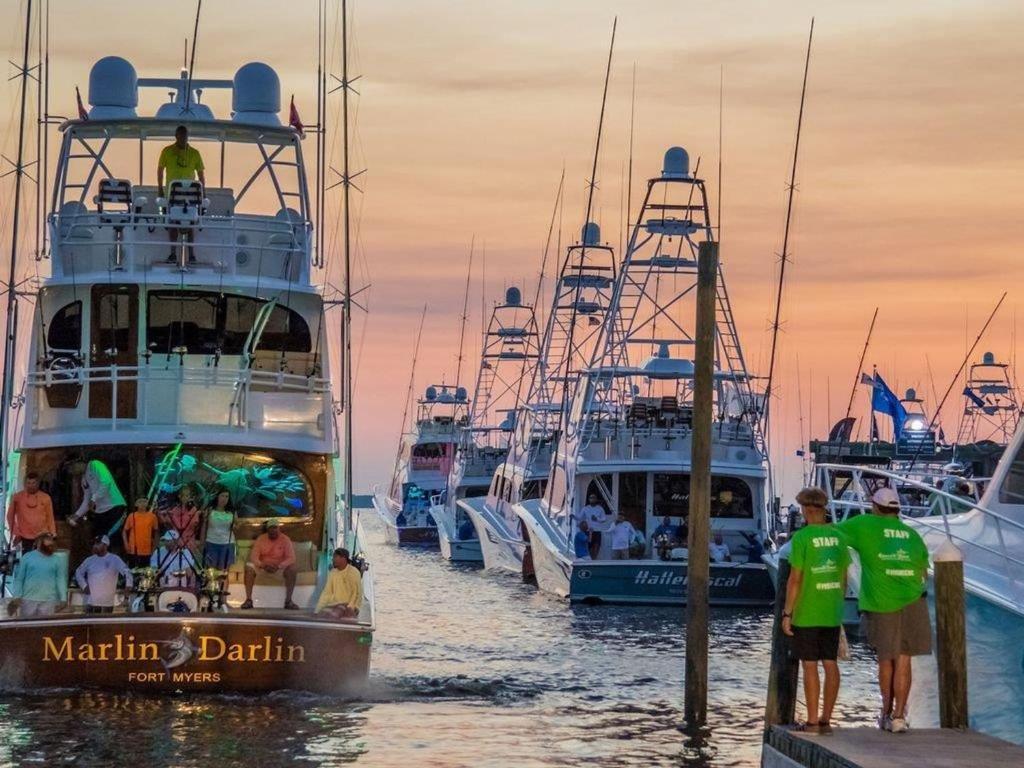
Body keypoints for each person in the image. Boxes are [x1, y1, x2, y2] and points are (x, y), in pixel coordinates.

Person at [838, 487, 931, 734]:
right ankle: (899, 716)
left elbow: (832, 535)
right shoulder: (912, 534)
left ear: (875, 507)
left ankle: (886, 713)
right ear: (897, 509)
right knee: (904, 659)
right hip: (914, 600)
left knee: (886, 660)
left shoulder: (864, 524)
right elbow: (923, 572)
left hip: (883, 602)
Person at [782, 487, 851, 734]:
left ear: (805, 510)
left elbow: (795, 579)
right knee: (830, 663)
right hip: (832, 610)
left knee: (810, 665)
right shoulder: (839, 537)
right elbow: (843, 577)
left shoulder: (802, 538)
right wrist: (837, 603)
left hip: (808, 611)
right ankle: (826, 718)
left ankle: (811, 721)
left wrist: (787, 613)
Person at [157, 124, 205, 262]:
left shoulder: (195, 153)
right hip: (171, 196)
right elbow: (160, 171)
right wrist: (160, 189)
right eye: (181, 135)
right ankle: (173, 253)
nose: (184, 138)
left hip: (191, 197)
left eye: (186, 135)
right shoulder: (166, 151)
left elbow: (201, 176)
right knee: (173, 223)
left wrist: (203, 193)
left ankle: (192, 254)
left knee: (189, 225)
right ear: (176, 136)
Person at [68, 460, 127, 552]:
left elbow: (106, 482)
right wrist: (77, 515)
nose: (71, 470)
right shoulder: (84, 480)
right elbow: (87, 500)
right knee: (98, 540)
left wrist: (94, 498)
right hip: (100, 511)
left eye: (72, 467)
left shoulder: (95, 465)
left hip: (115, 507)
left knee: (113, 539)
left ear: (78, 462)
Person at [241, 519, 298, 610]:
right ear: (268, 530)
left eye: (275, 528)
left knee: (293, 568)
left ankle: (288, 601)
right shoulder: (261, 539)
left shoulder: (285, 539)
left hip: (279, 568)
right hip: (263, 567)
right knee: (248, 567)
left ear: (279, 529)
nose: (273, 531)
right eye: (271, 529)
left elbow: (291, 558)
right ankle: (248, 600)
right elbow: (254, 557)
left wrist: (279, 566)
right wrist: (262, 565)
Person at [8, 533, 66, 617]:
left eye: (51, 545)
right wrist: (17, 596)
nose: (50, 547)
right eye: (48, 546)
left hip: (49, 600)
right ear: (39, 544)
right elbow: (19, 578)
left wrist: (63, 598)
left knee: (45, 628)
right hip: (28, 599)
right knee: (27, 628)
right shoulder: (27, 557)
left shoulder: (57, 560)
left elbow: (61, 579)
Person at [74, 535, 133, 613]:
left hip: (106, 604)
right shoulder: (89, 560)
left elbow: (128, 573)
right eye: (94, 544)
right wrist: (84, 586)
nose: (95, 546)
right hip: (90, 602)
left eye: (98, 544)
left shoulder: (114, 559)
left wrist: (127, 591)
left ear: (105, 545)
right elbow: (78, 573)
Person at [5, 471, 55, 553]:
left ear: (38, 484)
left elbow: (50, 517)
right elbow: (10, 516)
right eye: (29, 483)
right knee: (28, 559)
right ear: (25, 484)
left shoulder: (46, 498)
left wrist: (53, 533)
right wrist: (16, 533)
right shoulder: (17, 497)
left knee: (42, 560)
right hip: (25, 536)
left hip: (42, 535)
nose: (31, 486)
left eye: (33, 483)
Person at [315, 548, 363, 619]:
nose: (332, 559)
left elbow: (357, 593)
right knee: (320, 615)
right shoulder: (332, 573)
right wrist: (317, 610)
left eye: (335, 557)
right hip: (335, 604)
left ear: (343, 558)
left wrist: (351, 607)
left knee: (334, 615)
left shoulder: (354, 572)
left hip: (349, 605)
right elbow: (326, 593)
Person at [200, 488, 236, 570]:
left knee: (224, 572)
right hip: (211, 542)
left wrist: (235, 526)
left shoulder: (232, 512)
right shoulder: (209, 510)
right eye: (222, 496)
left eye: (227, 496)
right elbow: (204, 526)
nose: (224, 499)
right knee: (210, 571)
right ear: (217, 497)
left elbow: (236, 528)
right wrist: (202, 542)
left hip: (227, 543)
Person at [160, 485, 202, 550]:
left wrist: (172, 516)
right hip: (177, 540)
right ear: (179, 496)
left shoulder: (193, 509)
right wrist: (161, 515)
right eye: (184, 495)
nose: (186, 498)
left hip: (188, 541)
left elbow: (182, 526)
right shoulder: (176, 508)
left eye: (188, 496)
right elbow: (167, 521)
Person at [122, 498, 159, 569]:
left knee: (144, 573)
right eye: (140, 502)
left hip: (147, 550)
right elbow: (124, 531)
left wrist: (154, 547)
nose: (142, 504)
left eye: (144, 502)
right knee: (133, 572)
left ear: (147, 503)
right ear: (136, 504)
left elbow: (156, 532)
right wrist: (126, 544)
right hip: (133, 550)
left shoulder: (152, 516)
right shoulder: (131, 516)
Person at [577, 493, 609, 559]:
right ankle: (591, 560)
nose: (592, 499)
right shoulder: (585, 508)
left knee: (597, 546)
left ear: (596, 499)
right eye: (591, 498)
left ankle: (595, 560)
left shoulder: (600, 508)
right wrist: (573, 516)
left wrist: (597, 519)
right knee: (589, 546)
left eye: (594, 498)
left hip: (597, 530)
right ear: (589, 499)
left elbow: (604, 519)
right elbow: (580, 517)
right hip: (588, 531)